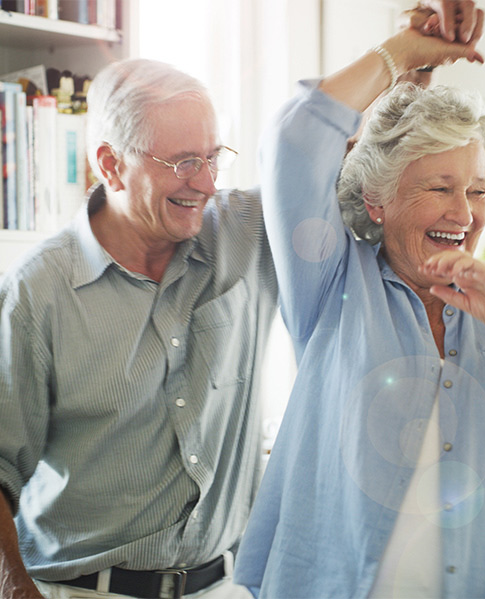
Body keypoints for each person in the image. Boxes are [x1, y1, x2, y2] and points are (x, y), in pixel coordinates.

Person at [233, 8, 485, 599]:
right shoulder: (331, 285)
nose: (464, 213)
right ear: (377, 202)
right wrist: (400, 54)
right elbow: (295, 140)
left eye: (477, 190)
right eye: (438, 188)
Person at [0, 58, 277, 599]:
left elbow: (331, 161)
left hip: (223, 586)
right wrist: (13, 588)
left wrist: (409, 61)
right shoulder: (37, 293)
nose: (206, 181)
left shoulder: (243, 232)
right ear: (111, 164)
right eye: (184, 162)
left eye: (213, 156)